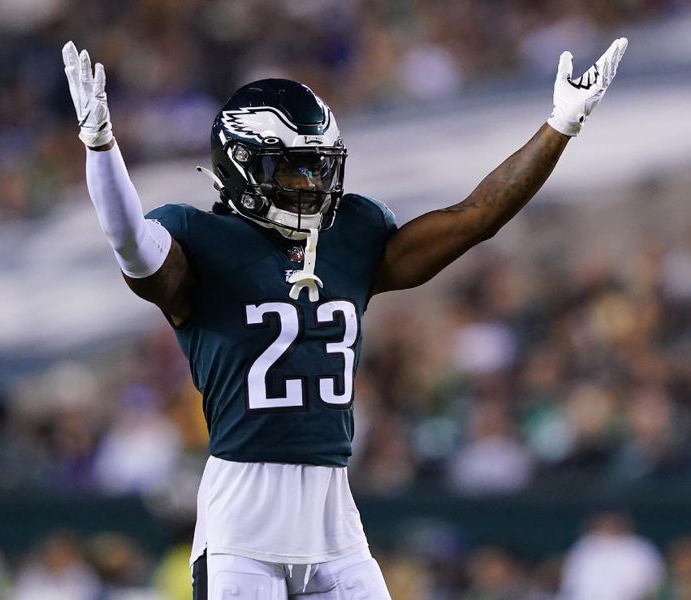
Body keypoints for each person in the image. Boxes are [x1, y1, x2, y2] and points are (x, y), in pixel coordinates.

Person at [62, 36, 628, 600]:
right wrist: (102, 146)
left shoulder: (351, 234)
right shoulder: (198, 241)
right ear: (241, 166)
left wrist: (560, 125)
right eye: (291, 169)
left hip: (333, 518)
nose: (310, 184)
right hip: (242, 521)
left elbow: (474, 219)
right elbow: (132, 243)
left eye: (317, 168)